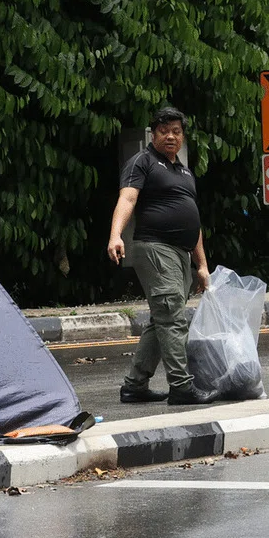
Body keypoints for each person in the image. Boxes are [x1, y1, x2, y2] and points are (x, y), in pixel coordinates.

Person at [106, 107, 219, 406]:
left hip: (181, 255)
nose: (170, 136)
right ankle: (181, 387)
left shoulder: (183, 171)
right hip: (155, 248)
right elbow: (127, 198)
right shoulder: (142, 162)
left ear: (182, 136)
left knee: (162, 321)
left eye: (176, 131)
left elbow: (192, 220)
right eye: (164, 131)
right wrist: (115, 235)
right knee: (172, 317)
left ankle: (134, 386)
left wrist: (202, 265)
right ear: (153, 134)